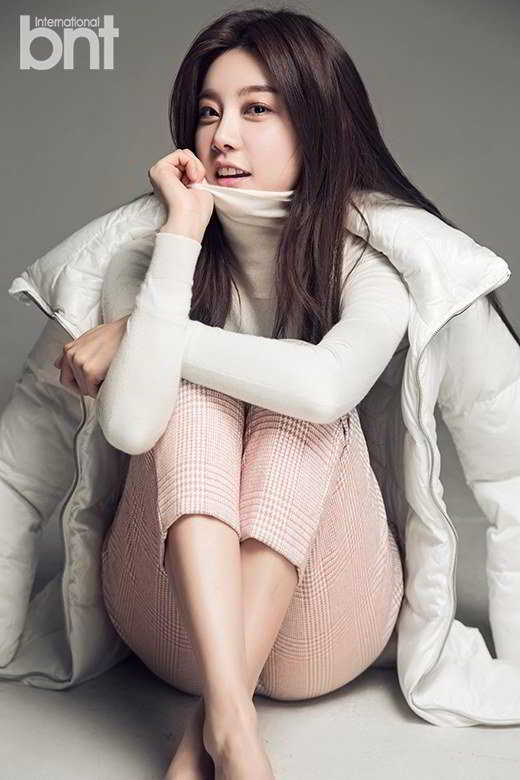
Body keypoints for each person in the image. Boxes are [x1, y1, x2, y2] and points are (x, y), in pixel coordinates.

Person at [48, 7, 520, 780]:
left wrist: (144, 336)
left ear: (318, 123)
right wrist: (180, 236)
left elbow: (326, 388)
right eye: (208, 112)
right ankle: (231, 725)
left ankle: (215, 726)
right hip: (170, 628)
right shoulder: (153, 255)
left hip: (324, 631)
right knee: (185, 397)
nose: (223, 136)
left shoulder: (370, 261)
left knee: (298, 405)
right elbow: (130, 426)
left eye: (257, 109)